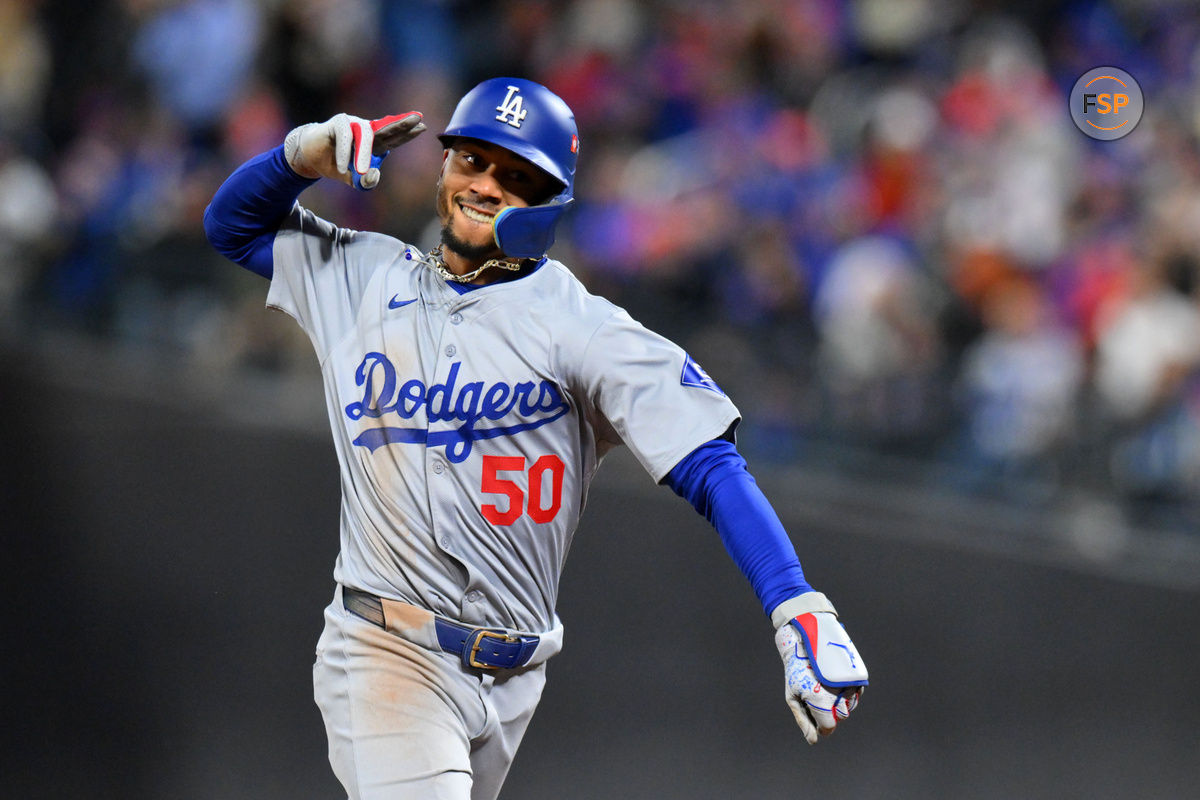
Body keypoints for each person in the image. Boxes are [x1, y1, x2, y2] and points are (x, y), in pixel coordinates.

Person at [204, 77, 867, 800]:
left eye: (516, 176)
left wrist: (797, 604)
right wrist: (301, 155)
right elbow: (230, 226)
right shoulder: (362, 275)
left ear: (550, 201)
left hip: (518, 673)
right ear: (445, 164)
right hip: (385, 648)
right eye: (472, 161)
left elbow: (709, 464)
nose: (485, 185)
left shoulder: (581, 328)